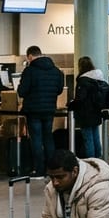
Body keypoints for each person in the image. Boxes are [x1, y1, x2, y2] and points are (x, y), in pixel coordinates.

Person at [19, 45, 65, 178]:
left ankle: (39, 169)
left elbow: (22, 91)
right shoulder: (56, 70)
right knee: (48, 138)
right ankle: (52, 169)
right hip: (49, 109)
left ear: (30, 56)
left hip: (33, 110)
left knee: (37, 140)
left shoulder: (30, 71)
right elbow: (59, 90)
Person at [70, 56, 108, 159]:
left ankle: (91, 161)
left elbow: (80, 98)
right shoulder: (98, 78)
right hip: (96, 111)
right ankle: (98, 158)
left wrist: (71, 104)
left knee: (88, 138)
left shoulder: (83, 80)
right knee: (96, 136)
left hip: (85, 113)